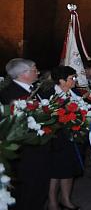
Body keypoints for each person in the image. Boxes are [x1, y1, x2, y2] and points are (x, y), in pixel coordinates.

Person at [1, 58, 51, 209]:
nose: (38, 72)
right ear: (23, 74)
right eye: (35, 70)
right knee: (27, 192)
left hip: (40, 150)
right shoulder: (10, 95)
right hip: (26, 154)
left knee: (39, 189)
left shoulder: (35, 90)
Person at [44, 66, 84, 210]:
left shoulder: (76, 93)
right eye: (72, 78)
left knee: (69, 170)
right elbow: (46, 117)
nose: (75, 80)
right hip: (56, 140)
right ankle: (52, 202)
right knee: (55, 172)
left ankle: (66, 199)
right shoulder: (49, 94)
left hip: (73, 139)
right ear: (61, 80)